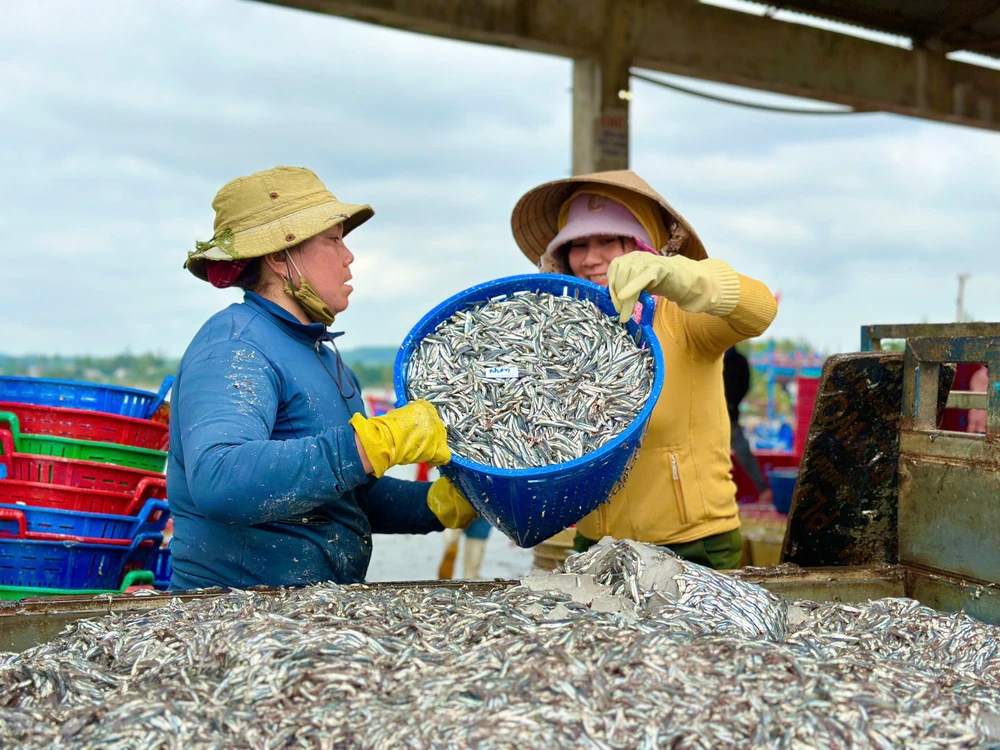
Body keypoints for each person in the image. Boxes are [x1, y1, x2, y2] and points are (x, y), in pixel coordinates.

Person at [168, 166, 475, 590]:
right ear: (280, 256)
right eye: (334, 240)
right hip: (232, 613)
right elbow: (220, 478)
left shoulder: (322, 355)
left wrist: (441, 505)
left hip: (314, 610)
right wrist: (371, 444)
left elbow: (345, 495)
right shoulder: (236, 345)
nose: (348, 257)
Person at [511, 170, 777, 570]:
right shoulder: (564, 334)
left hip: (693, 546)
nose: (591, 258)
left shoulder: (683, 318)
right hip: (594, 544)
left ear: (642, 246)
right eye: (577, 244)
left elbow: (759, 309)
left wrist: (681, 278)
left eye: (607, 241)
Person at [723, 346, 773, 505]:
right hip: (709, 416)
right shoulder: (712, 355)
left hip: (729, 416)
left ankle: (764, 490)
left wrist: (730, 403)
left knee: (743, 453)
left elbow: (743, 386)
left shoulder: (738, 361)